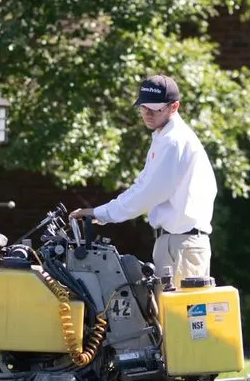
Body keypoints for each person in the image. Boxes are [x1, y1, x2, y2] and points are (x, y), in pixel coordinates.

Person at [70, 74, 218, 284]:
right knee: (166, 314)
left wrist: (100, 213)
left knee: (176, 316)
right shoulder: (164, 137)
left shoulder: (173, 141)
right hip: (178, 242)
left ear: (174, 107)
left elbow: (147, 194)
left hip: (180, 244)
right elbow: (143, 186)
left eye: (155, 108)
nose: (147, 113)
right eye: (143, 107)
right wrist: (100, 213)